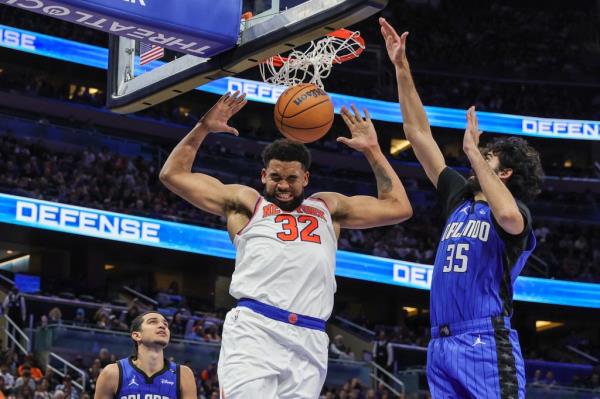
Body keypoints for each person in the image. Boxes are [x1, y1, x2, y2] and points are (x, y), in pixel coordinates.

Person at [159, 92, 413, 398]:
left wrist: (373, 151)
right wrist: (203, 127)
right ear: (264, 175)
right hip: (255, 330)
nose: (282, 185)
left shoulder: (327, 207)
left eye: (291, 178)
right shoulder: (246, 203)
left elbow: (399, 207)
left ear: (305, 178)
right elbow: (172, 175)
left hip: (311, 336)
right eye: (275, 177)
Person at [380, 17, 544, 399]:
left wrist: (472, 150)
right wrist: (402, 68)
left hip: (485, 343)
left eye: (487, 158)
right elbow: (418, 135)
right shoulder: (460, 197)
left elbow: (507, 217)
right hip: (440, 344)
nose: (473, 160)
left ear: (503, 173)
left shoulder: (514, 213)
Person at [94, 311, 196, 399]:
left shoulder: (184, 374)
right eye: (152, 322)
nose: (162, 326)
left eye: (165, 324)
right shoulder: (113, 373)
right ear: (137, 335)